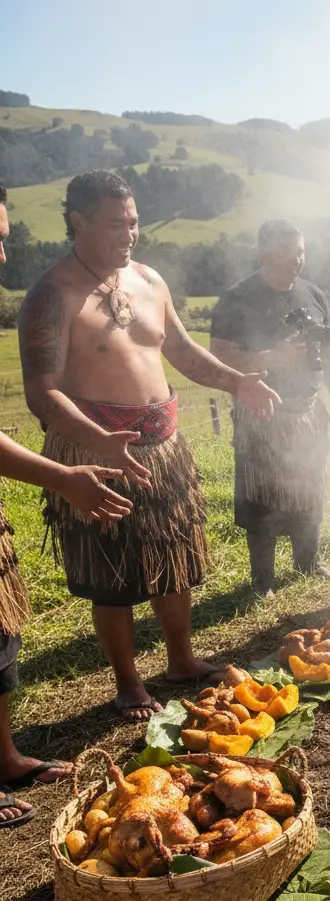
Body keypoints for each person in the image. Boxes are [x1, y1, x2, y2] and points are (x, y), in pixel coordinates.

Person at [17, 170, 279, 722]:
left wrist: (239, 381)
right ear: (78, 222)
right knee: (111, 576)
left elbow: (180, 351)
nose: (129, 234)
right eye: (116, 224)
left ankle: (181, 660)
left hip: (164, 447)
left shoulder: (150, 280)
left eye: (134, 222)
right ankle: (129, 682)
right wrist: (96, 440)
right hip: (93, 451)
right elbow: (43, 394)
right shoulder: (52, 292)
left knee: (175, 559)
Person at [1, 179, 136, 827]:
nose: (3, 256)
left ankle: (2, 756)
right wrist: (65, 475)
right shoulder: (50, 295)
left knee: (2, 635)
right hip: (72, 462)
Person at [210, 219, 330, 597]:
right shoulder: (237, 298)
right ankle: (263, 581)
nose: (297, 261)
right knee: (262, 496)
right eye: (288, 253)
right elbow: (220, 357)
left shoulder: (313, 294)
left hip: (308, 412)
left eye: (301, 252)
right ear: (264, 253)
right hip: (262, 414)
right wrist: (274, 357)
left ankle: (309, 563)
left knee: (311, 488)